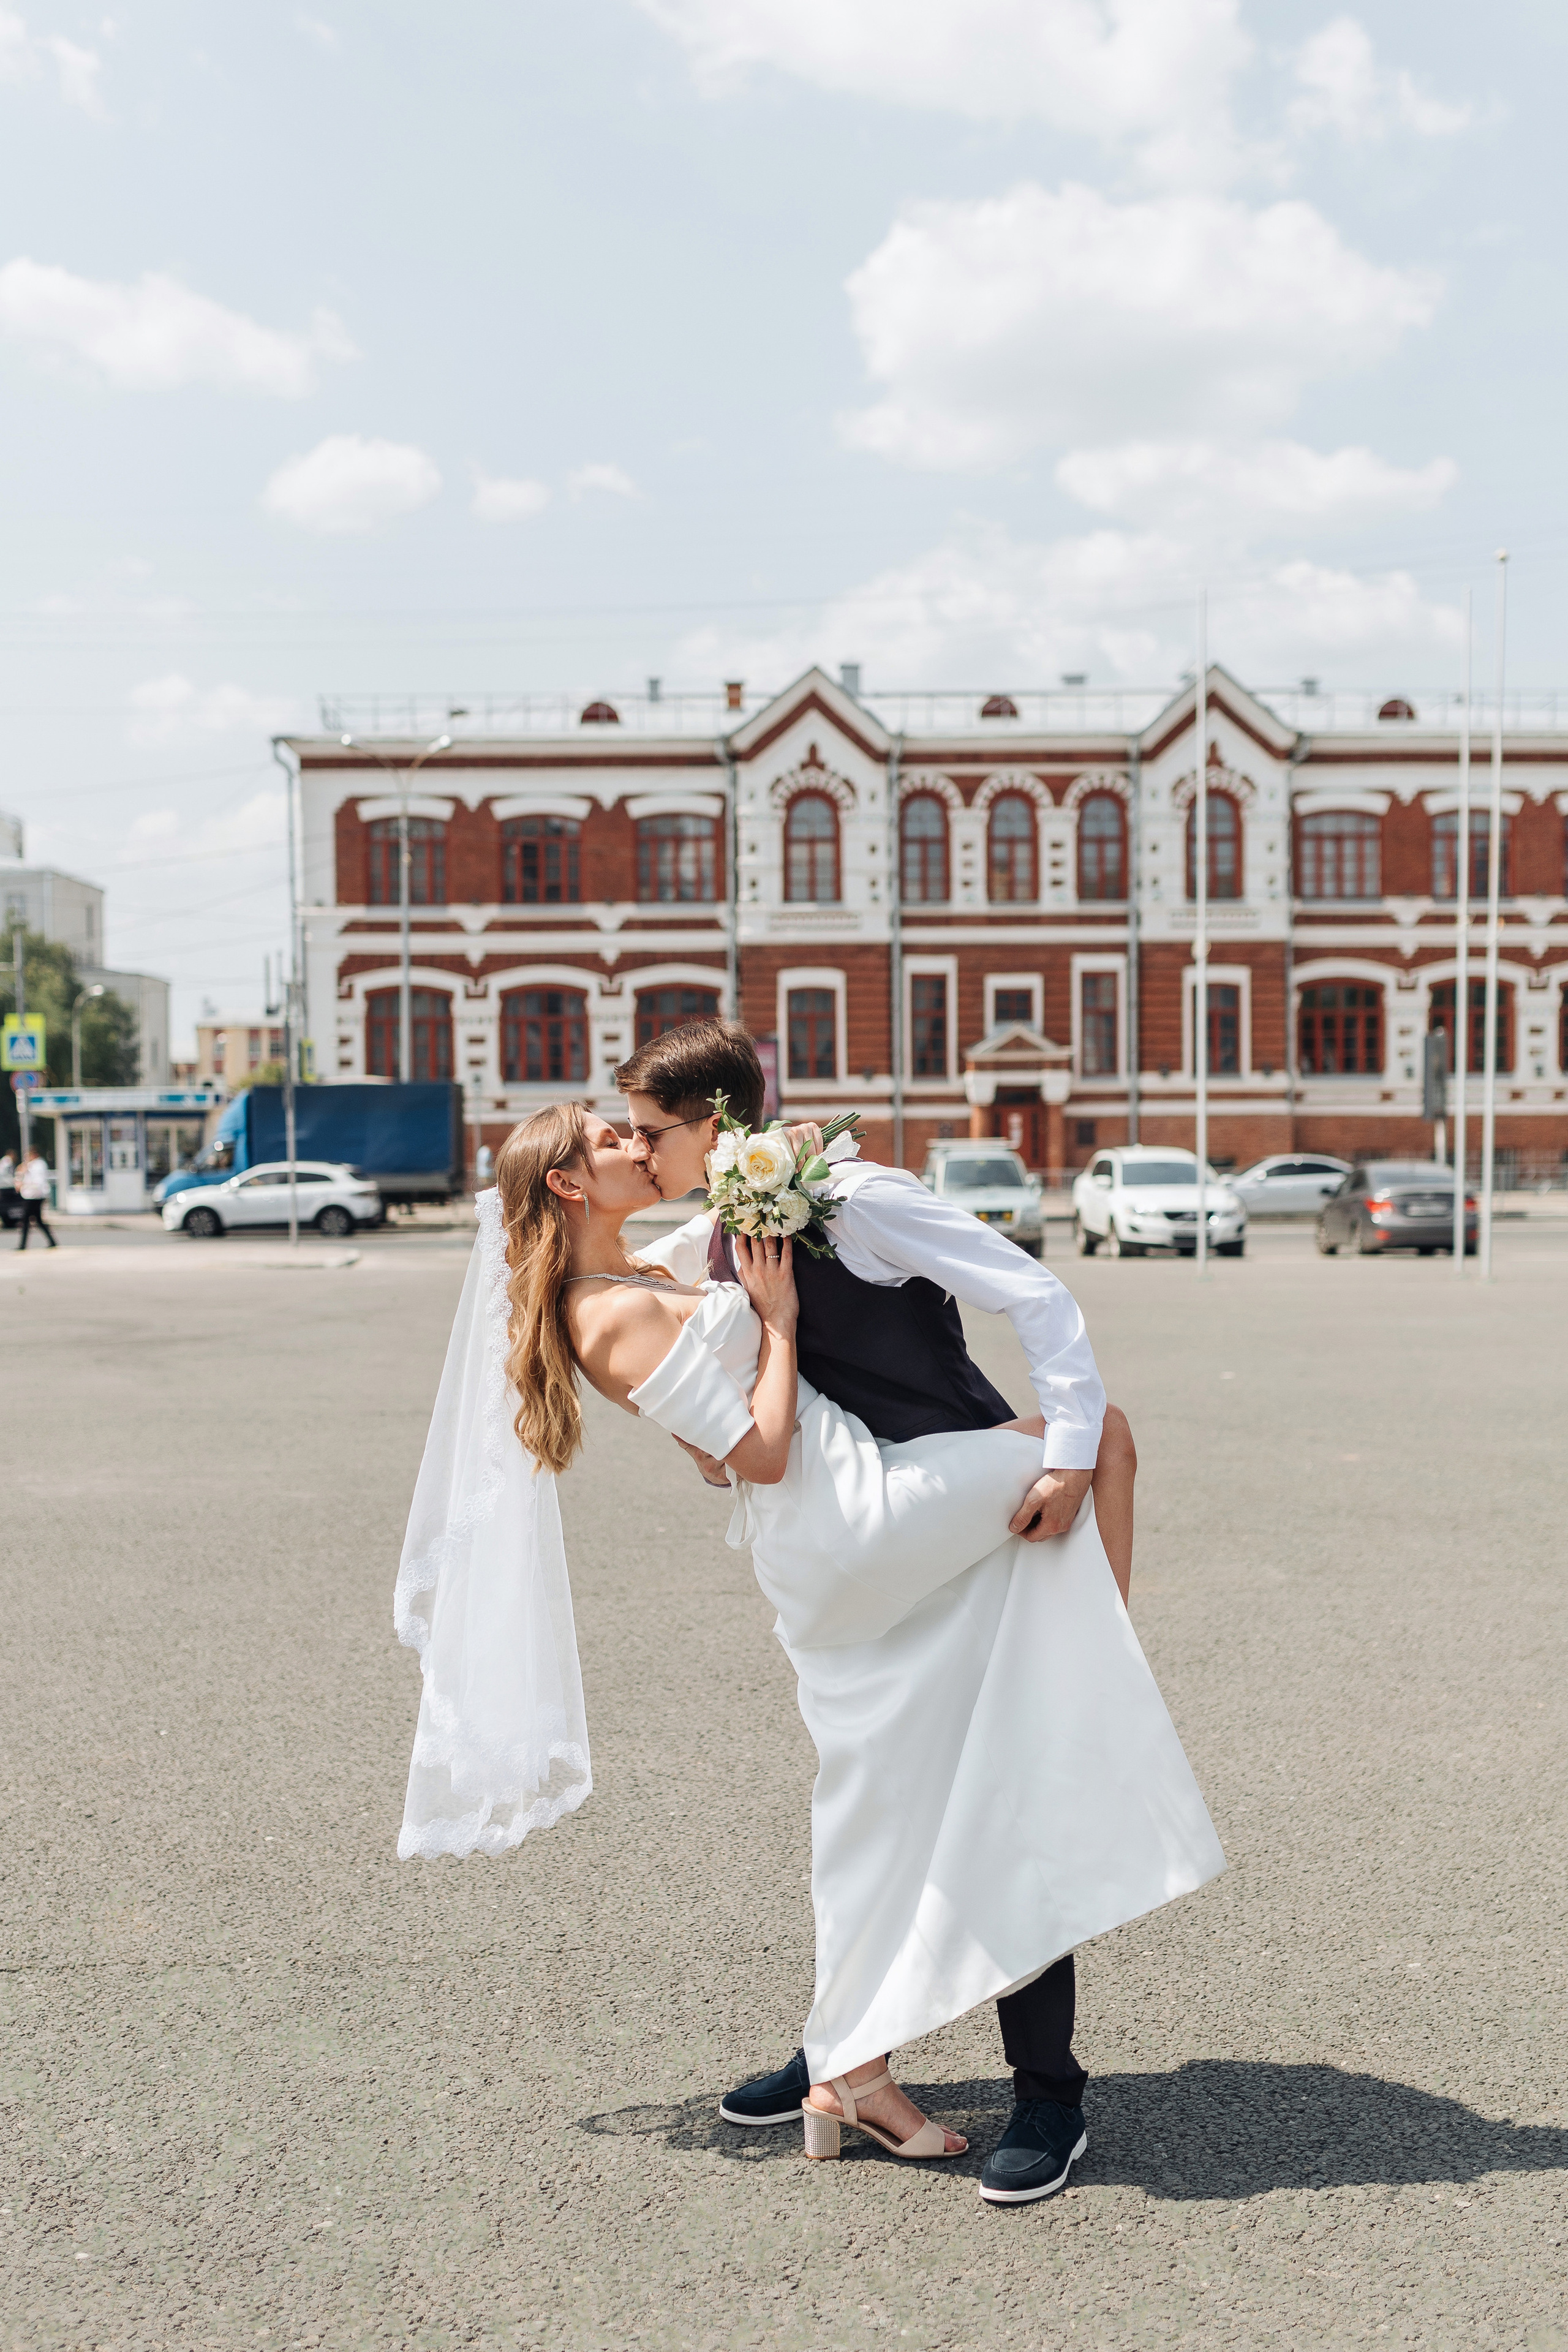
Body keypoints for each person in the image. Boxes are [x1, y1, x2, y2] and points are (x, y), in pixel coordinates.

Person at [393, 1089, 1223, 2207]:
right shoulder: (608, 1310)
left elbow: (705, 1455)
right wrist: (777, 1323)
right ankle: (1102, 1644)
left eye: (641, 1128)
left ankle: (849, 2067)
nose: (635, 1146)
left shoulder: (640, 1270)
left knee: (870, 1807)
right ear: (567, 1185)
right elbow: (764, 1454)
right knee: (1097, 1435)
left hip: (824, 1544)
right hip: (848, 1509)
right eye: (611, 1140)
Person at [615, 1019, 1156, 2198]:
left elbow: (1038, 1294)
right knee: (870, 1811)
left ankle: (1048, 2096)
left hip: (978, 1523)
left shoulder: (858, 1199)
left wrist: (1066, 1456)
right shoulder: (709, 1234)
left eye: (654, 1132)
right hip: (867, 1542)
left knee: (1004, 1802)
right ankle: (844, 2046)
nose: (638, 1148)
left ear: (719, 1123)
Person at [15, 1144, 57, 1250]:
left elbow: (37, 1183)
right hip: (31, 1196)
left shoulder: (39, 1165)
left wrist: (24, 1184)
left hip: (34, 1197)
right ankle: (52, 1241)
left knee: (25, 1220)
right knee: (38, 1220)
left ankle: (23, 1245)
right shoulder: (32, 1165)